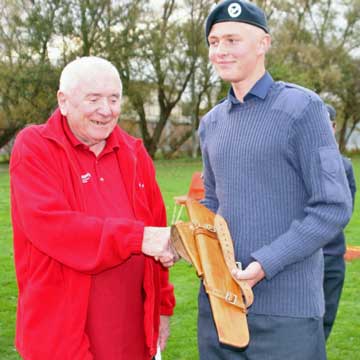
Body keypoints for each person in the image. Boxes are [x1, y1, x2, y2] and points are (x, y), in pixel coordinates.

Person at [197, 1, 352, 359]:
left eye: (232, 40)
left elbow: (332, 206)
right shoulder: (212, 123)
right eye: (214, 42)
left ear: (263, 43)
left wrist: (265, 263)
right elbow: (213, 202)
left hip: (287, 313)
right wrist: (192, 241)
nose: (220, 50)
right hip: (220, 307)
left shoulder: (303, 108)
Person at [10, 56, 175, 360]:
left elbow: (158, 233)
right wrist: (137, 238)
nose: (107, 109)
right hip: (60, 340)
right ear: (64, 101)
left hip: (133, 340)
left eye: (114, 98)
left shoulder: (136, 154)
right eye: (94, 98)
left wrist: (163, 308)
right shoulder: (35, 147)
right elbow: (53, 227)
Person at [323, 103, 356, 340]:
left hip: (332, 257)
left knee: (325, 322)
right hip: (299, 260)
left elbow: (345, 210)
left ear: (333, 126)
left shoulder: (344, 166)